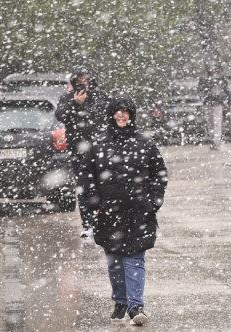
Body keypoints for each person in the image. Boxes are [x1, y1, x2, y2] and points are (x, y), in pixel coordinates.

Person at [78, 93, 168, 326]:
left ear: (131, 115)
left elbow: (160, 174)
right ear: (111, 115)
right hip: (109, 212)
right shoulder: (98, 145)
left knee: (135, 258)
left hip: (139, 211)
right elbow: (87, 178)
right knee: (115, 260)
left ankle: (136, 305)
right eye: (117, 111)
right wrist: (95, 204)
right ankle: (120, 301)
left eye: (125, 111)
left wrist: (153, 201)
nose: (121, 114)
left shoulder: (144, 143)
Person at [55, 65, 110, 238]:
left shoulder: (100, 97)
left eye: (85, 79)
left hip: (100, 150)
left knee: (105, 187)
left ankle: (105, 222)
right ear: (73, 81)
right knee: (83, 188)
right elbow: (60, 116)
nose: (82, 83)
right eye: (78, 80)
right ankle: (88, 224)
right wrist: (75, 104)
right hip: (78, 151)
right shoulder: (67, 98)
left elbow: (104, 117)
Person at [198, 61, 229, 150]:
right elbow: (200, 90)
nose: (212, 70)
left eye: (214, 68)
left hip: (217, 104)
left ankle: (216, 141)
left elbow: (225, 90)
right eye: (210, 68)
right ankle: (212, 140)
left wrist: (221, 98)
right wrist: (203, 98)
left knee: (217, 123)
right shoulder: (203, 79)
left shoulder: (221, 78)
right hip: (208, 103)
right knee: (210, 123)